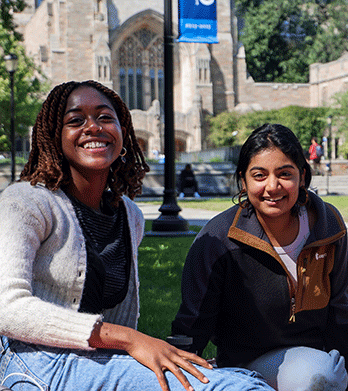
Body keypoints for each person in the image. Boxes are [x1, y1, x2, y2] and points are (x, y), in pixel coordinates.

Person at [0, 80, 272, 391]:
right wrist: (130, 339)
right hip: (33, 362)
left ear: (123, 133)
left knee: (247, 379)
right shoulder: (25, 203)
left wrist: (147, 352)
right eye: (75, 120)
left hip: (97, 361)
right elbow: (6, 308)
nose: (93, 127)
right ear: (54, 136)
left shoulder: (130, 215)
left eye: (105, 118)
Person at [172, 123, 348, 391]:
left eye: (284, 174)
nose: (273, 186)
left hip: (318, 338)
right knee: (319, 377)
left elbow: (340, 310)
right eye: (259, 175)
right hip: (253, 357)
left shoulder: (328, 225)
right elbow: (193, 321)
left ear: (302, 176)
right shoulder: (219, 239)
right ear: (243, 181)